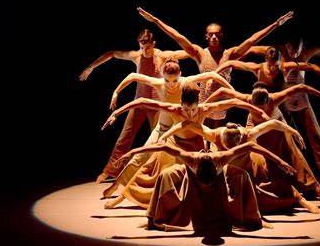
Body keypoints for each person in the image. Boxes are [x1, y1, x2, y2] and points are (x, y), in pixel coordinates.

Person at [101, 85, 269, 208]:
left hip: (195, 146)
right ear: (181, 104)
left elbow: (232, 101)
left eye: (193, 110)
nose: (189, 114)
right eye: (186, 109)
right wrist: (116, 113)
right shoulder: (173, 109)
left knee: (197, 176)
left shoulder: (204, 109)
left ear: (198, 104)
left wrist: (256, 109)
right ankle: (121, 198)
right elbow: (142, 101)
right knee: (147, 169)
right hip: (174, 143)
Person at [137, 7, 294, 128]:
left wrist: (275, 24)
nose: (214, 37)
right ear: (206, 36)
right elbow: (178, 37)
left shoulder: (230, 54)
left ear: (221, 36)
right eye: (211, 34)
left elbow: (251, 40)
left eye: (217, 34)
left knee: (219, 144)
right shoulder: (200, 53)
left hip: (221, 108)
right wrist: (156, 21)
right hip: (202, 107)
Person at [79, 29, 189, 183]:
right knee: (125, 137)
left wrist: (204, 52)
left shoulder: (162, 56)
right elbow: (112, 53)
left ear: (153, 44)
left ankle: (157, 172)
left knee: (159, 140)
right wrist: (90, 67)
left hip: (157, 105)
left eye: (148, 47)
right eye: (142, 47)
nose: (145, 51)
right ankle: (110, 170)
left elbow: (188, 52)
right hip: (139, 102)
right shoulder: (136, 56)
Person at [113, 142, 297, 232]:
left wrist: (280, 161)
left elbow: (250, 145)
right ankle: (153, 219)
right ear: (197, 166)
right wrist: (132, 151)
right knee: (165, 174)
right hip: (189, 175)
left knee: (244, 175)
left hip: (219, 177)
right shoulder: (191, 159)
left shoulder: (221, 159)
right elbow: (162, 145)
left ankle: (254, 218)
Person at [245, 39, 320, 186]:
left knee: (317, 138)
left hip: (301, 99)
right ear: (286, 45)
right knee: (292, 141)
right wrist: (227, 58)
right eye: (291, 49)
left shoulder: (307, 53)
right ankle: (300, 177)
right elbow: (250, 49)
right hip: (282, 103)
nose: (294, 53)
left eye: (297, 49)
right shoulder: (275, 52)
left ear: (302, 45)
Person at [158, 120, 320, 212]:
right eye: (227, 147)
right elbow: (186, 124)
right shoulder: (214, 134)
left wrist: (294, 133)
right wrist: (164, 135)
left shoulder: (248, 134)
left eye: (233, 147)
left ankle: (298, 199)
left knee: (260, 194)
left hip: (249, 167)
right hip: (228, 170)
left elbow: (273, 123)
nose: (230, 150)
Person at [205, 82, 320, 199]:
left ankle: (312, 186)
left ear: (268, 101)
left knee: (292, 150)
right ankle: (263, 186)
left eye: (263, 108)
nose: (260, 111)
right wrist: (204, 105)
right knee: (253, 153)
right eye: (257, 108)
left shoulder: (276, 98)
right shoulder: (246, 99)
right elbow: (222, 90)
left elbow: (301, 87)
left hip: (278, 125)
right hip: (255, 125)